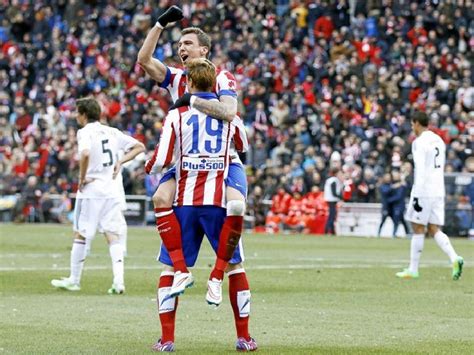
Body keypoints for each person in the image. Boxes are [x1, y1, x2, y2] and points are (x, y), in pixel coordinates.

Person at [138, 6, 248, 305]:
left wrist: (192, 100)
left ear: (204, 49)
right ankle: (182, 269)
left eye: (187, 43)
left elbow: (228, 111)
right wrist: (160, 23)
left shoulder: (222, 77)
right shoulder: (176, 77)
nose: (181, 48)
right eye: (179, 44)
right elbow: (144, 60)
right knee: (160, 198)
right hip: (187, 160)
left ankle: (218, 273)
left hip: (223, 160)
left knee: (236, 205)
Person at [145, 58, 256, 352]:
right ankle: (243, 337)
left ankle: (167, 340)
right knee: (236, 266)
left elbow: (162, 160)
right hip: (218, 201)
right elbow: (243, 147)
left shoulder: (176, 115)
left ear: (190, 84)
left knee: (169, 269)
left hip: (184, 203)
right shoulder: (231, 118)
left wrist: (149, 167)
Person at [51, 97, 145, 293]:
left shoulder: (84, 132)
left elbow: (85, 154)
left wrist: (81, 177)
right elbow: (139, 147)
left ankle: (74, 280)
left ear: (84, 115)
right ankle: (119, 282)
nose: (76, 115)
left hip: (92, 189)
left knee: (81, 233)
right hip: (111, 190)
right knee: (113, 234)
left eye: (77, 112)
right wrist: (121, 162)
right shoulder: (112, 131)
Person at [396, 111, 464, 280]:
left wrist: (417, 194)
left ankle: (413, 269)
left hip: (424, 190)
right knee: (434, 229)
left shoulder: (419, 142)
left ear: (417, 123)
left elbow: (420, 169)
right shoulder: (439, 140)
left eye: (412, 124)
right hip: (438, 189)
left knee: (417, 227)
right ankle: (454, 258)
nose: (412, 127)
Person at [324, 167, 343, 235]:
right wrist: (341, 197)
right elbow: (334, 192)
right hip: (332, 200)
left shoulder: (329, 180)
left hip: (329, 199)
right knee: (332, 215)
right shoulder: (334, 180)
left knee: (332, 215)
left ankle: (331, 231)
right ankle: (327, 230)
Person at [377, 172, 393, 237]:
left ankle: (394, 233)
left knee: (396, 221)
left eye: (389, 177)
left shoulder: (392, 184)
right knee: (383, 221)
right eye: (386, 177)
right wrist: (393, 187)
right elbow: (385, 191)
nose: (388, 178)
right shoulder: (383, 185)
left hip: (392, 206)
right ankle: (378, 233)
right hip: (385, 206)